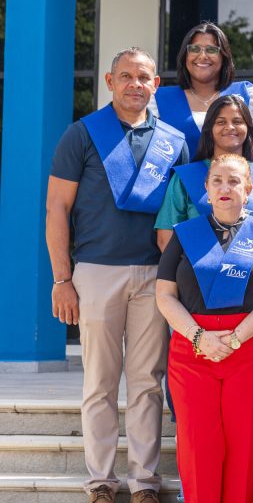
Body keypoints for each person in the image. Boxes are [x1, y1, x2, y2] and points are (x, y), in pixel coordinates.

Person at [47, 48, 188, 503]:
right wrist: (61, 278)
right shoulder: (82, 134)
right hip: (95, 272)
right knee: (100, 382)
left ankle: (144, 481)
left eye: (143, 77)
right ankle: (101, 482)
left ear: (157, 84)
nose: (134, 84)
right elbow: (57, 209)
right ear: (109, 81)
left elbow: (180, 215)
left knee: (148, 381)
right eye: (125, 76)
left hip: (155, 276)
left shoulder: (174, 139)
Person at [156, 154, 253, 503]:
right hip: (192, 349)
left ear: (249, 189)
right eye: (217, 181)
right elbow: (165, 295)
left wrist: (236, 338)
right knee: (198, 447)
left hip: (252, 349)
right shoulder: (185, 234)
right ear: (207, 189)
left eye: (233, 181)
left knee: (244, 446)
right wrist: (201, 338)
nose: (225, 188)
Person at [156, 94, 253, 250]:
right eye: (221, 122)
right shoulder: (185, 178)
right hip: (197, 272)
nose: (230, 127)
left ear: (248, 128)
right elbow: (165, 238)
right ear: (209, 129)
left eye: (237, 121)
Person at [151, 21, 253, 155]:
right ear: (185, 56)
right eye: (194, 49)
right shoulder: (159, 100)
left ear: (224, 57)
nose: (202, 56)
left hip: (236, 175)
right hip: (177, 176)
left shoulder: (248, 96)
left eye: (212, 50)